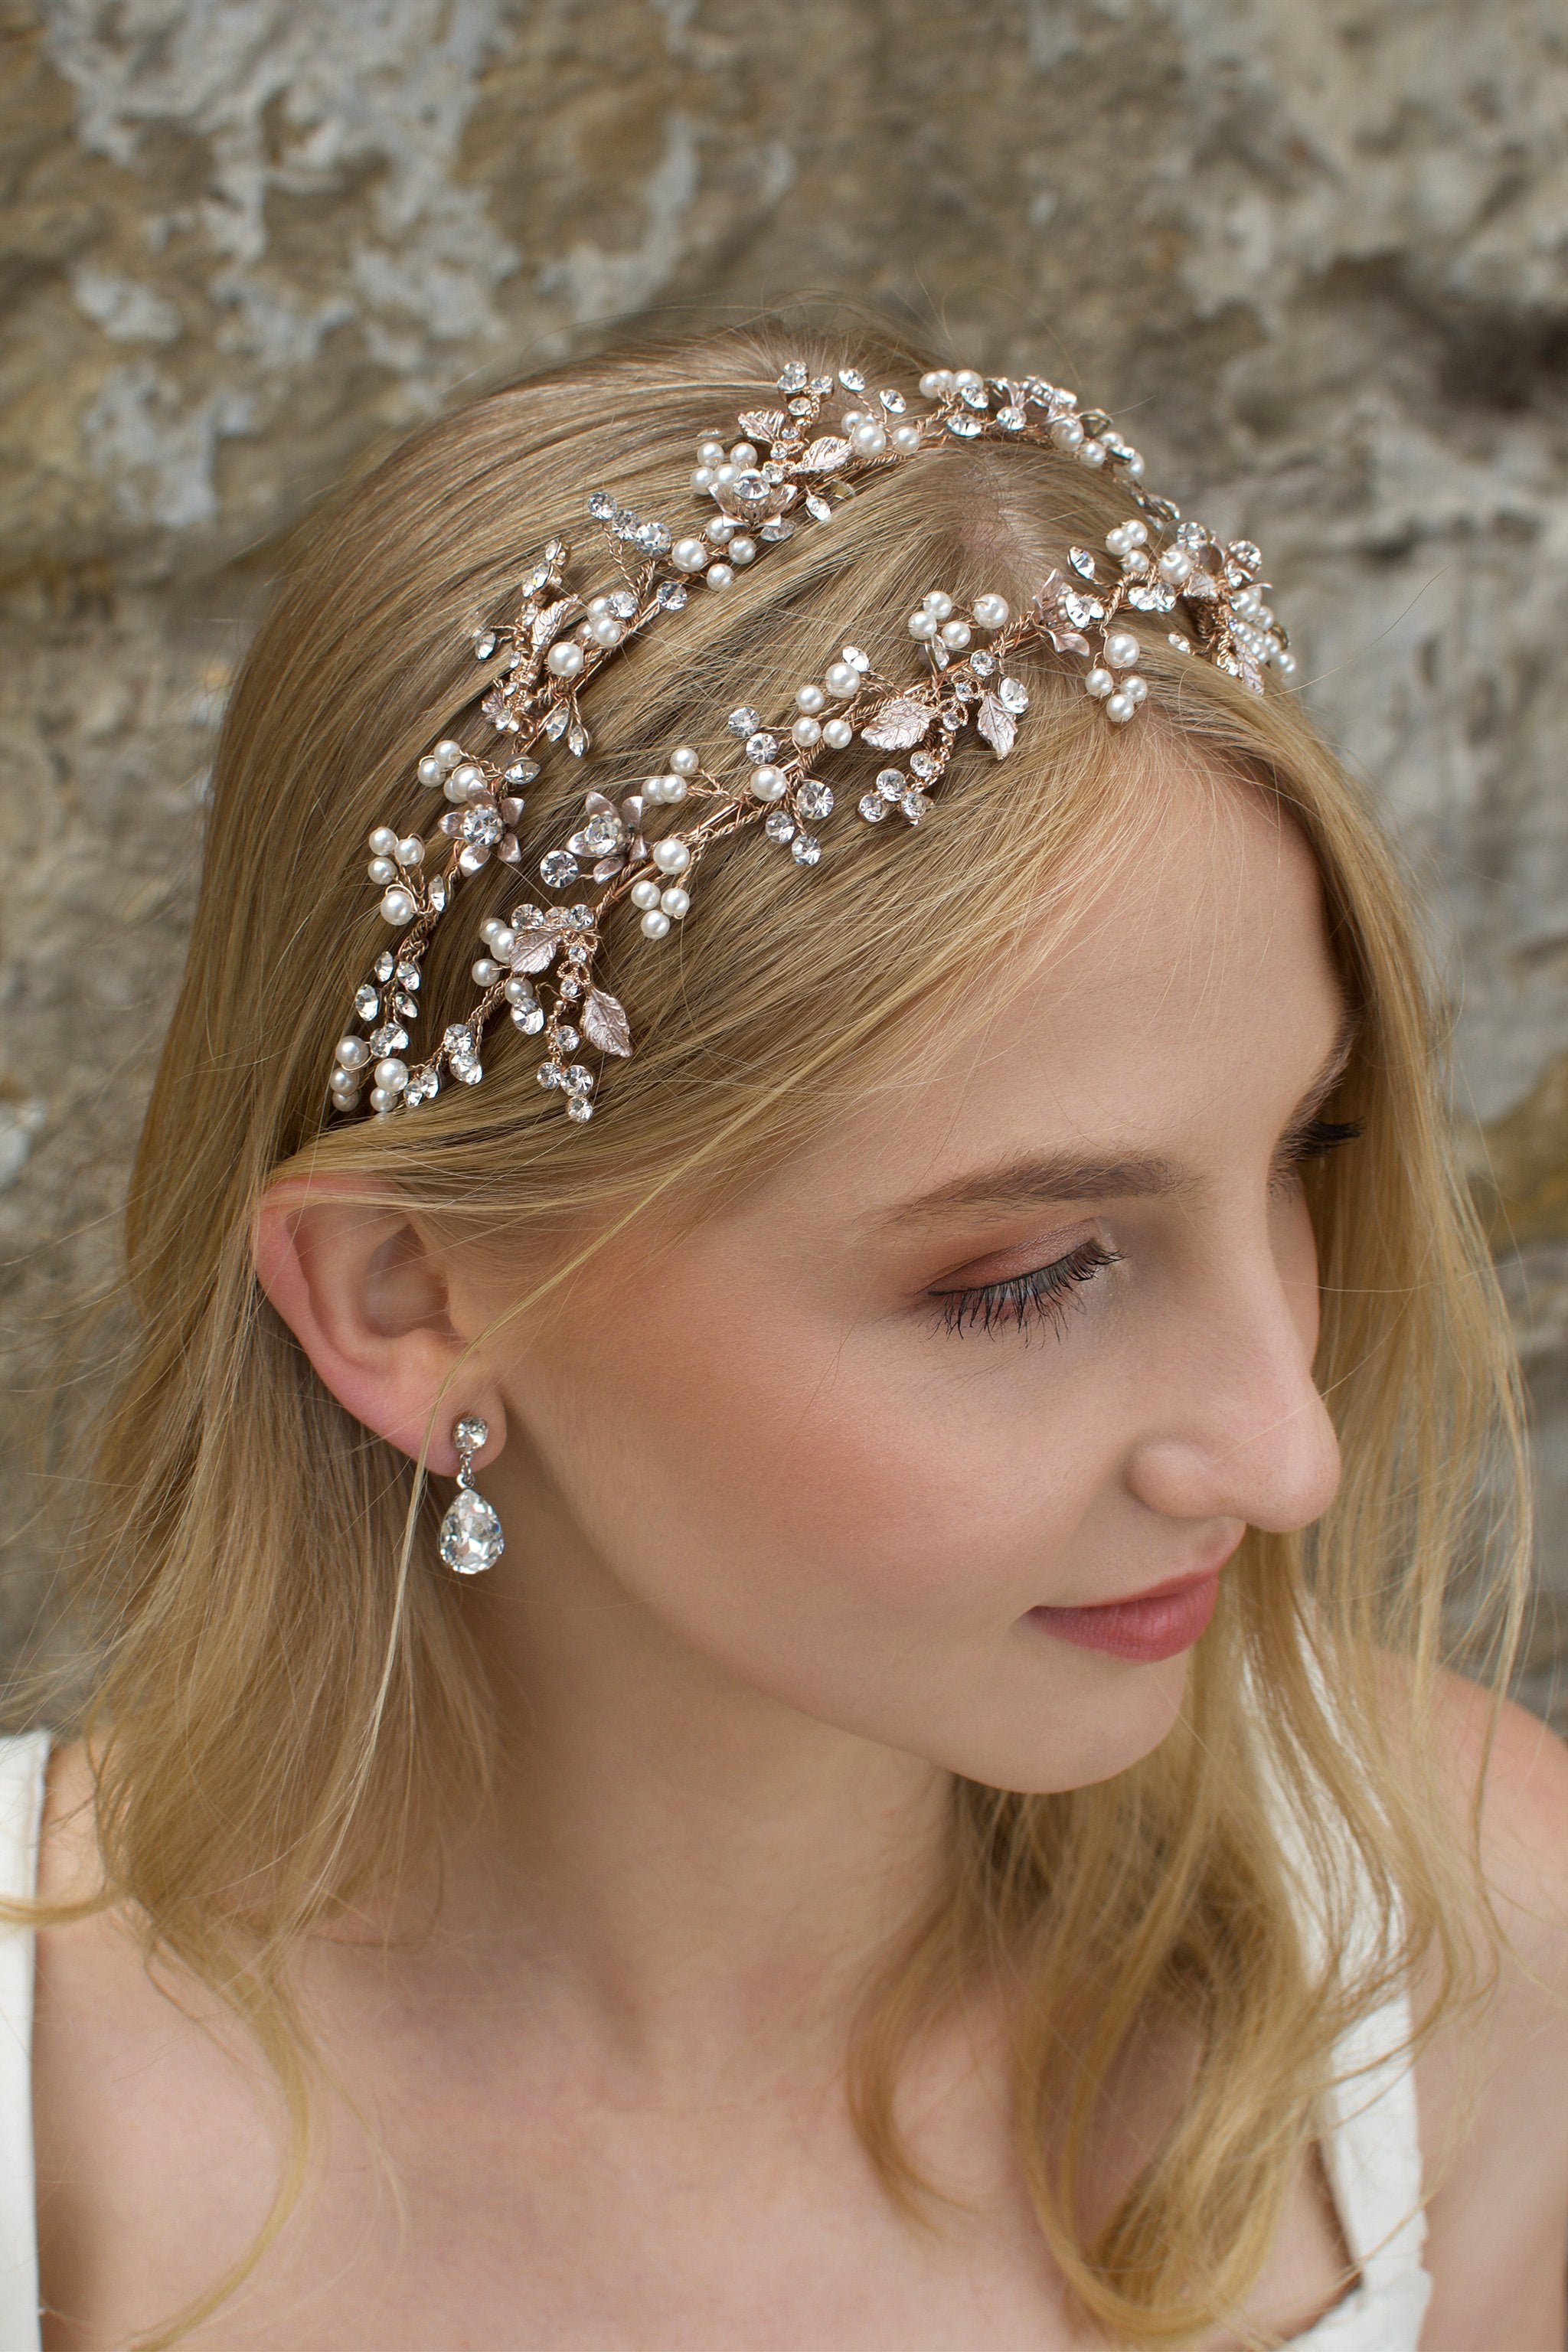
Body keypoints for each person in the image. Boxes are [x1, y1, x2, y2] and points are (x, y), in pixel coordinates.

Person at [6, 316, 1568, 2352]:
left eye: (1302, 1152)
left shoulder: (1466, 1943)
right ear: (412, 1301)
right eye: (1025, 1274)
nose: (1289, 1454)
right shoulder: (47, 2131)